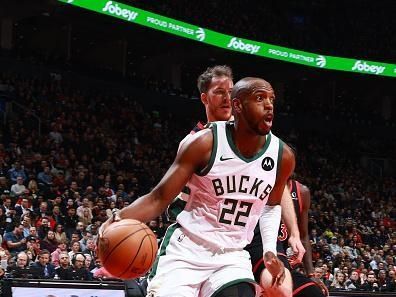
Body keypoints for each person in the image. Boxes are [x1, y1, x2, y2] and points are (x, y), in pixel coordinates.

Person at [101, 76, 295, 297]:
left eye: (272, 99)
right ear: (238, 105)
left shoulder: (283, 156)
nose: (269, 105)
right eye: (260, 98)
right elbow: (158, 198)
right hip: (187, 250)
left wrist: (270, 251)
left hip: (231, 255)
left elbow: (271, 205)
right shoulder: (205, 143)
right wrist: (117, 218)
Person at [167, 65, 305, 296]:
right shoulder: (196, 142)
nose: (227, 98)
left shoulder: (253, 130)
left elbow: (277, 189)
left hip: (255, 228)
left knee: (281, 289)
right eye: (220, 92)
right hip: (214, 232)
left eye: (230, 92)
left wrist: (293, 232)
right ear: (205, 98)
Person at [246, 178, 328, 296]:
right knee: (278, 287)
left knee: (313, 292)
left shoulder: (302, 192)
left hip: (280, 257)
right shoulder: (260, 180)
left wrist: (311, 274)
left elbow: (303, 235)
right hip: (255, 247)